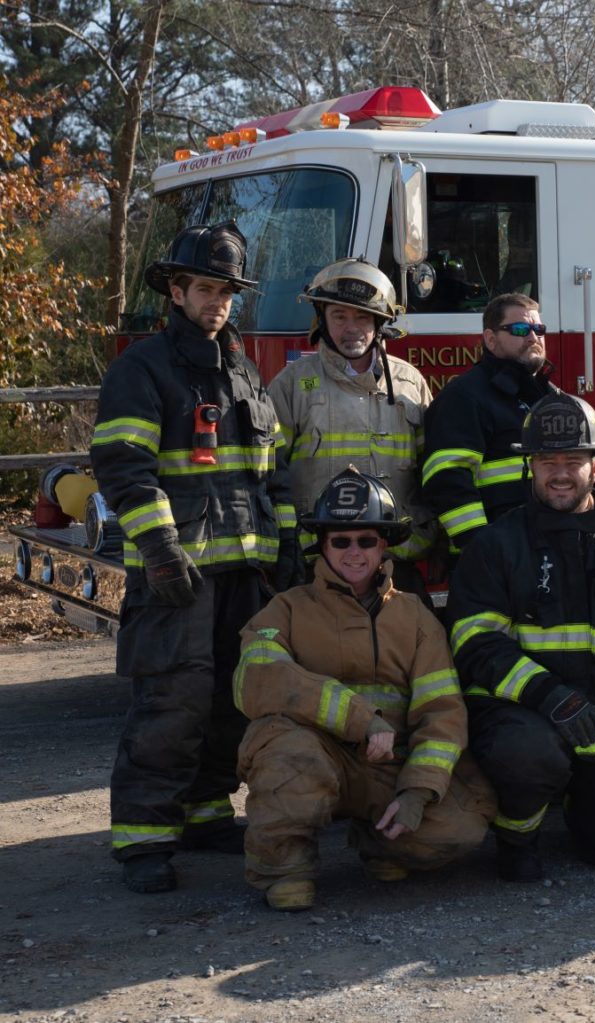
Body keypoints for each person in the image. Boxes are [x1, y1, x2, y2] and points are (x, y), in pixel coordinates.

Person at [90, 221, 292, 893]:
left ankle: (206, 811)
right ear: (174, 291)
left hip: (243, 572)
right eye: (206, 288)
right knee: (172, 703)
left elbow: (268, 471)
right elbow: (124, 467)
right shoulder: (142, 370)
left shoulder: (239, 369)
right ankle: (144, 838)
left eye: (227, 291)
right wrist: (160, 548)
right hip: (180, 573)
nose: (218, 302)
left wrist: (283, 550)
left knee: (232, 700)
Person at [233, 468, 495, 911]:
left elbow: (443, 711)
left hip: (388, 766)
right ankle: (285, 868)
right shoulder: (287, 608)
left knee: (459, 827)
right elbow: (256, 679)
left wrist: (417, 793)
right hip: (315, 753)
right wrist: (360, 719)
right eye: (341, 540)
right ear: (323, 544)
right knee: (289, 757)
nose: (354, 552)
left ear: (385, 544)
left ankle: (380, 841)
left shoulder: (415, 617)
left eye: (366, 540)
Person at [448, 393, 595, 881]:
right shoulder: (495, 544)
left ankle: (584, 803)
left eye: (574, 460)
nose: (560, 473)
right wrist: (550, 696)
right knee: (530, 757)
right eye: (547, 461)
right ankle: (517, 834)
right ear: (529, 467)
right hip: (526, 718)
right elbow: (476, 645)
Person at [268, 258, 436, 595]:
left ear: (380, 323)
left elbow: (433, 471)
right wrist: (287, 543)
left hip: (396, 556)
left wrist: (436, 541)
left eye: (362, 317)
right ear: (322, 320)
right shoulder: (292, 384)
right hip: (318, 558)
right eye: (339, 316)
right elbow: (271, 472)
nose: (351, 327)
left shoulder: (409, 382)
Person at [421, 293, 556, 558]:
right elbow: (447, 478)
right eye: (520, 329)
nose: (533, 338)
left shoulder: (550, 398)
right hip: (493, 556)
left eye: (538, 329)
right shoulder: (464, 397)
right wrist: (480, 548)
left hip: (548, 549)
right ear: (490, 339)